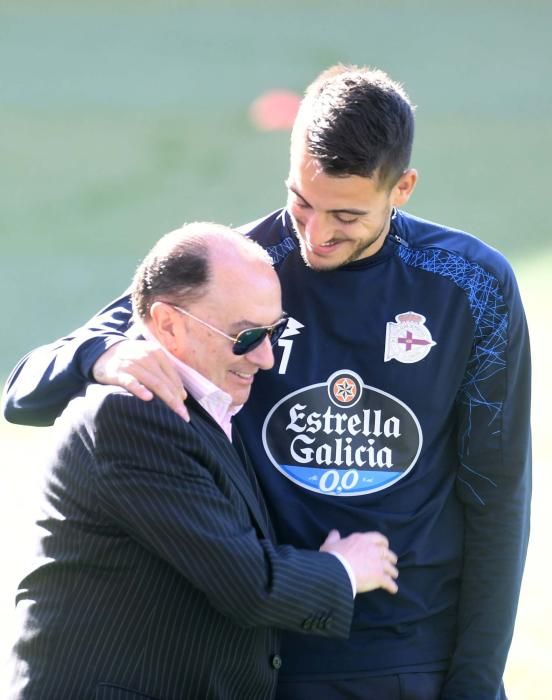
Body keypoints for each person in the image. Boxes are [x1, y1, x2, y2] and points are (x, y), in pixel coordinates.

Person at [2, 65, 531, 699]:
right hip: (265, 655)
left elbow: (496, 494)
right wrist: (99, 353)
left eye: (345, 215)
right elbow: (25, 389)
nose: (315, 235)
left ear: (402, 189)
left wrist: (477, 680)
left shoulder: (471, 285)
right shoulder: (236, 270)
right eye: (300, 202)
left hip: (407, 657)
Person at [6, 222, 399, 700]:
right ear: (169, 324)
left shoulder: (207, 401)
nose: (266, 357)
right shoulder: (131, 415)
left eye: (273, 332)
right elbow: (247, 585)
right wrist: (345, 569)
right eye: (245, 336)